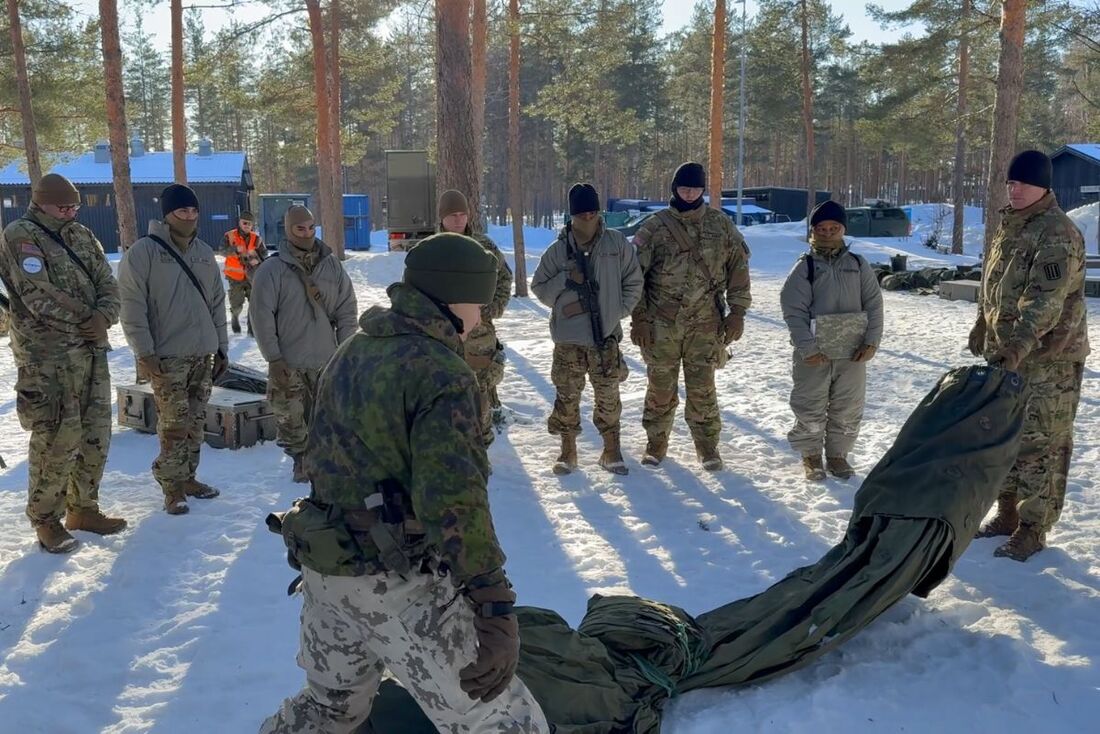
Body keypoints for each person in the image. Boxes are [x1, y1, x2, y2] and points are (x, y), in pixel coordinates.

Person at [260, 232, 548, 734]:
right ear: (452, 299)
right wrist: (494, 603)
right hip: (393, 581)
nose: (481, 318)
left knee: (330, 710)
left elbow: (319, 454)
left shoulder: (354, 349)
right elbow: (455, 502)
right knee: (502, 719)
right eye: (478, 304)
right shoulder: (441, 373)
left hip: (326, 570)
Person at [971, 149, 1089, 562]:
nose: (1014, 189)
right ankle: (1006, 514)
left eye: (1023, 182)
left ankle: (1034, 528)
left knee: (1043, 444)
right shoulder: (1011, 226)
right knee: (1005, 435)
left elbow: (1045, 302)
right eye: (1010, 182)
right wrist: (983, 325)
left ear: (1044, 186)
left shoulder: (1056, 232)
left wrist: (1017, 346)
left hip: (1047, 361)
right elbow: (996, 287)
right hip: (1009, 355)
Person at [0, 173, 127, 552]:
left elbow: (108, 281)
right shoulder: (21, 235)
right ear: (40, 202)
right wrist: (86, 321)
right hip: (48, 359)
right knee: (56, 437)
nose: (70, 211)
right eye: (63, 206)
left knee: (94, 432)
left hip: (90, 350)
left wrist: (104, 316)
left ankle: (83, 508)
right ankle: (46, 520)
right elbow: (37, 294)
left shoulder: (81, 235)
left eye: (74, 205)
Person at [629, 162, 751, 470]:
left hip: (705, 324)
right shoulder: (655, 227)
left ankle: (707, 446)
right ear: (674, 189)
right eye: (684, 188)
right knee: (660, 387)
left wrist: (737, 312)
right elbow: (633, 277)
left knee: (702, 388)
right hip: (661, 324)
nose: (690, 193)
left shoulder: (720, 225)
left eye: (696, 188)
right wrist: (639, 318)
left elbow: (738, 269)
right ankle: (656, 443)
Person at [118, 183, 229, 515]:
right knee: (174, 424)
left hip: (203, 353)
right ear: (167, 215)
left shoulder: (204, 253)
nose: (189, 217)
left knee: (196, 421)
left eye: (194, 211)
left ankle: (189, 477)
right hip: (167, 357)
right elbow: (131, 306)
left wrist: (221, 348)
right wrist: (144, 352)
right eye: (182, 211)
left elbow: (217, 304)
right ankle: (172, 487)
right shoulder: (144, 253)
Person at [531, 183, 643, 475]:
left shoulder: (616, 245)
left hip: (604, 337)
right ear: (572, 216)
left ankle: (611, 449)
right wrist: (566, 279)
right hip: (568, 340)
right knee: (567, 396)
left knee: (608, 396)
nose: (588, 218)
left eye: (593, 212)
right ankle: (568, 450)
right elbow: (539, 288)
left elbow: (634, 282)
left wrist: (616, 311)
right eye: (582, 213)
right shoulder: (558, 251)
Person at [249, 205, 357, 483]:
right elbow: (262, 317)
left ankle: (325, 457)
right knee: (291, 416)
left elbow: (346, 308)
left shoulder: (331, 265)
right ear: (288, 230)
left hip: (327, 357)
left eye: (311, 227)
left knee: (328, 413)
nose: (307, 233)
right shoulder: (272, 270)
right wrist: (273, 358)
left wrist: (346, 350)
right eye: (300, 228)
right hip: (290, 359)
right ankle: (300, 459)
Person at [780, 200, 883, 481]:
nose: (827, 233)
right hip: (815, 355)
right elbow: (793, 311)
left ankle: (838, 455)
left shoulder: (858, 265)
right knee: (810, 406)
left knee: (847, 408)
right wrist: (807, 348)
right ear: (813, 231)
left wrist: (872, 341)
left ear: (843, 230)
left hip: (852, 353)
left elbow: (874, 304)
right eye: (821, 228)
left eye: (833, 228)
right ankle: (811, 456)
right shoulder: (805, 268)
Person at [437, 189, 513, 445]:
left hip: (479, 337)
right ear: (442, 218)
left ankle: (481, 449)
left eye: (462, 214)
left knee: (480, 393)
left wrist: (493, 308)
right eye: (452, 215)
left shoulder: (484, 246)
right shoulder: (431, 249)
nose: (459, 220)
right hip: (442, 336)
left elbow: (504, 276)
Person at [221, 210, 267, 335]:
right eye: (244, 223)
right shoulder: (229, 236)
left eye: (249, 224)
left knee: (254, 303)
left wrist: (256, 258)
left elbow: (264, 253)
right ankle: (235, 317)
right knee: (237, 305)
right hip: (235, 277)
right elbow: (222, 251)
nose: (247, 225)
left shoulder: (256, 238)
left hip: (252, 276)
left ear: (252, 225)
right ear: (239, 222)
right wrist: (234, 250)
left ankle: (252, 328)